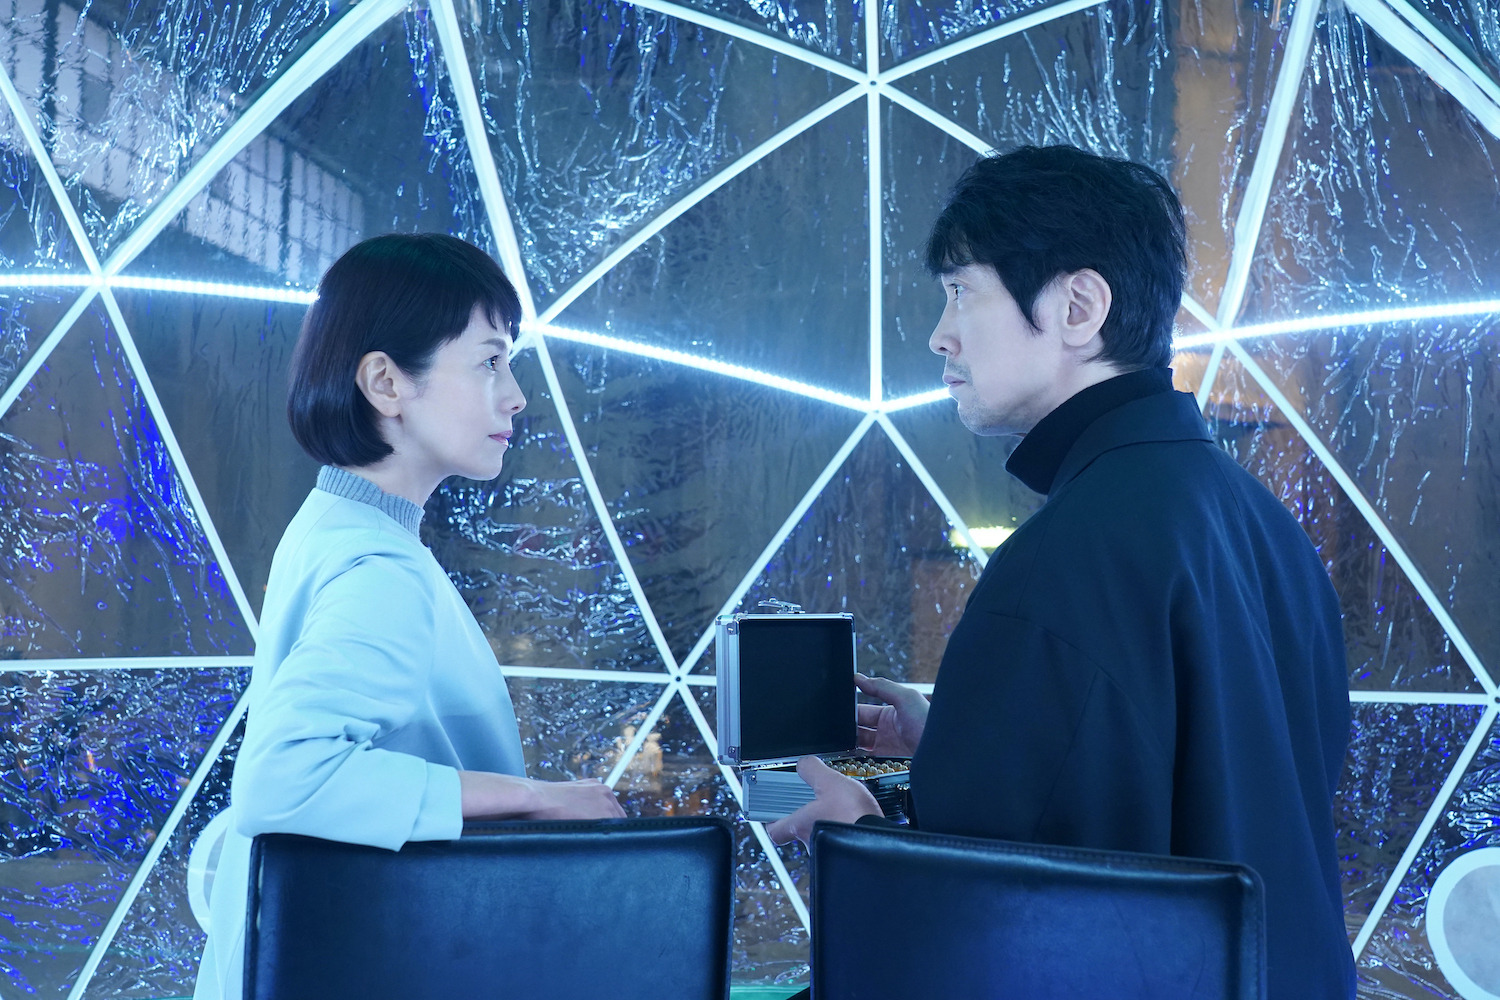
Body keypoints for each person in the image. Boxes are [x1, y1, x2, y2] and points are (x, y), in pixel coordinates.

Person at [767, 146, 1355, 1000]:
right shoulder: (1261, 526)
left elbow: (982, 935)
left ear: (1079, 307)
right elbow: (1189, 793)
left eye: (962, 291)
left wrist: (861, 830)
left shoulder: (1067, 556)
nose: (940, 334)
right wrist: (957, 741)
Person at [193, 234, 625, 1000]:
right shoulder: (380, 565)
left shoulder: (335, 525)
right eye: (489, 361)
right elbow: (284, 777)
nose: (515, 395)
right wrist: (534, 797)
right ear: (386, 382)